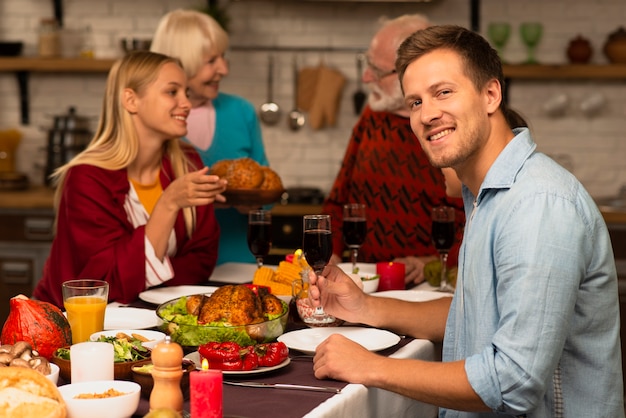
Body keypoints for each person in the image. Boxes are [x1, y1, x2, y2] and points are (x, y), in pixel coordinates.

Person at [309, 25, 624, 417]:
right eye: (415, 102)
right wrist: (365, 307)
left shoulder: (538, 204)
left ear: (491, 94)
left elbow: (513, 381)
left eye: (443, 92)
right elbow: (470, 314)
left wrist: (372, 367)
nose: (427, 115)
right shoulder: (486, 196)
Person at [33, 51, 227, 308]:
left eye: (186, 93)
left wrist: (141, 281)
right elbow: (104, 282)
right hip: (72, 326)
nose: (187, 104)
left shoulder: (187, 163)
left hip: (153, 317)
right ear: (131, 100)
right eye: (172, 92)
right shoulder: (87, 177)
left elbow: (203, 258)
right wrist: (168, 203)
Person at [322, 14, 465, 285]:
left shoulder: (451, 127)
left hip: (427, 290)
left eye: (376, 70)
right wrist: (331, 253)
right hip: (362, 282)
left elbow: (478, 220)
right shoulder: (372, 116)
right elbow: (338, 200)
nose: (365, 78)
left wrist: (434, 264)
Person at [151, 9, 270, 265]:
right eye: (211, 61)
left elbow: (267, 189)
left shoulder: (241, 112)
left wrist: (254, 203)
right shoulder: (152, 123)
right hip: (174, 268)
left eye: (223, 57)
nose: (224, 69)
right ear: (180, 62)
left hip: (238, 264)